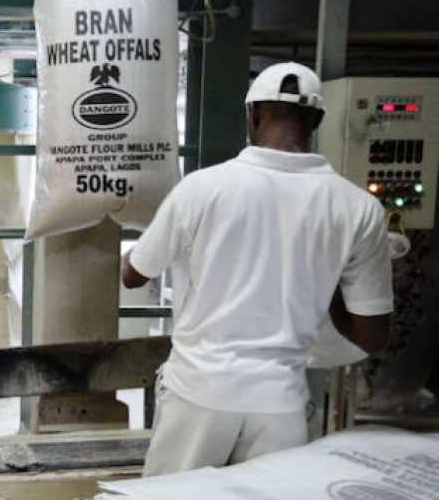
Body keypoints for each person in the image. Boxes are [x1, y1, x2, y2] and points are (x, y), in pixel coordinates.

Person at [122, 62, 393, 477]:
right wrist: (326, 278)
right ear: (317, 119)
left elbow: (134, 275)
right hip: (279, 404)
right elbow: (371, 337)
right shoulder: (358, 208)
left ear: (252, 114)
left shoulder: (202, 189)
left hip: (198, 392)